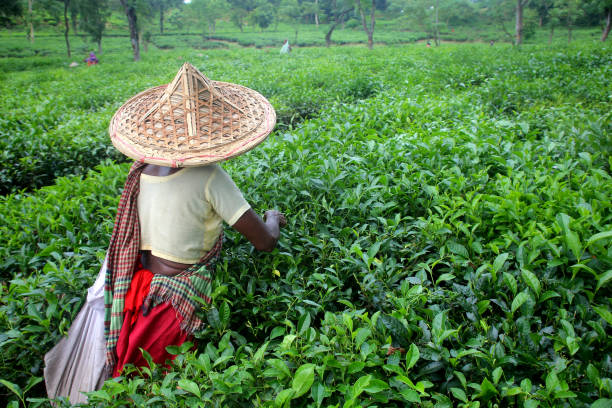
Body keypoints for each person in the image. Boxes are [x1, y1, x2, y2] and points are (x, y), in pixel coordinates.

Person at [44, 62, 285, 404]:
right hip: (171, 306)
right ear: (215, 131)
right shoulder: (210, 176)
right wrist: (272, 217)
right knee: (162, 391)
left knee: (127, 391)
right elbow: (265, 242)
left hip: (136, 291)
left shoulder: (141, 169)